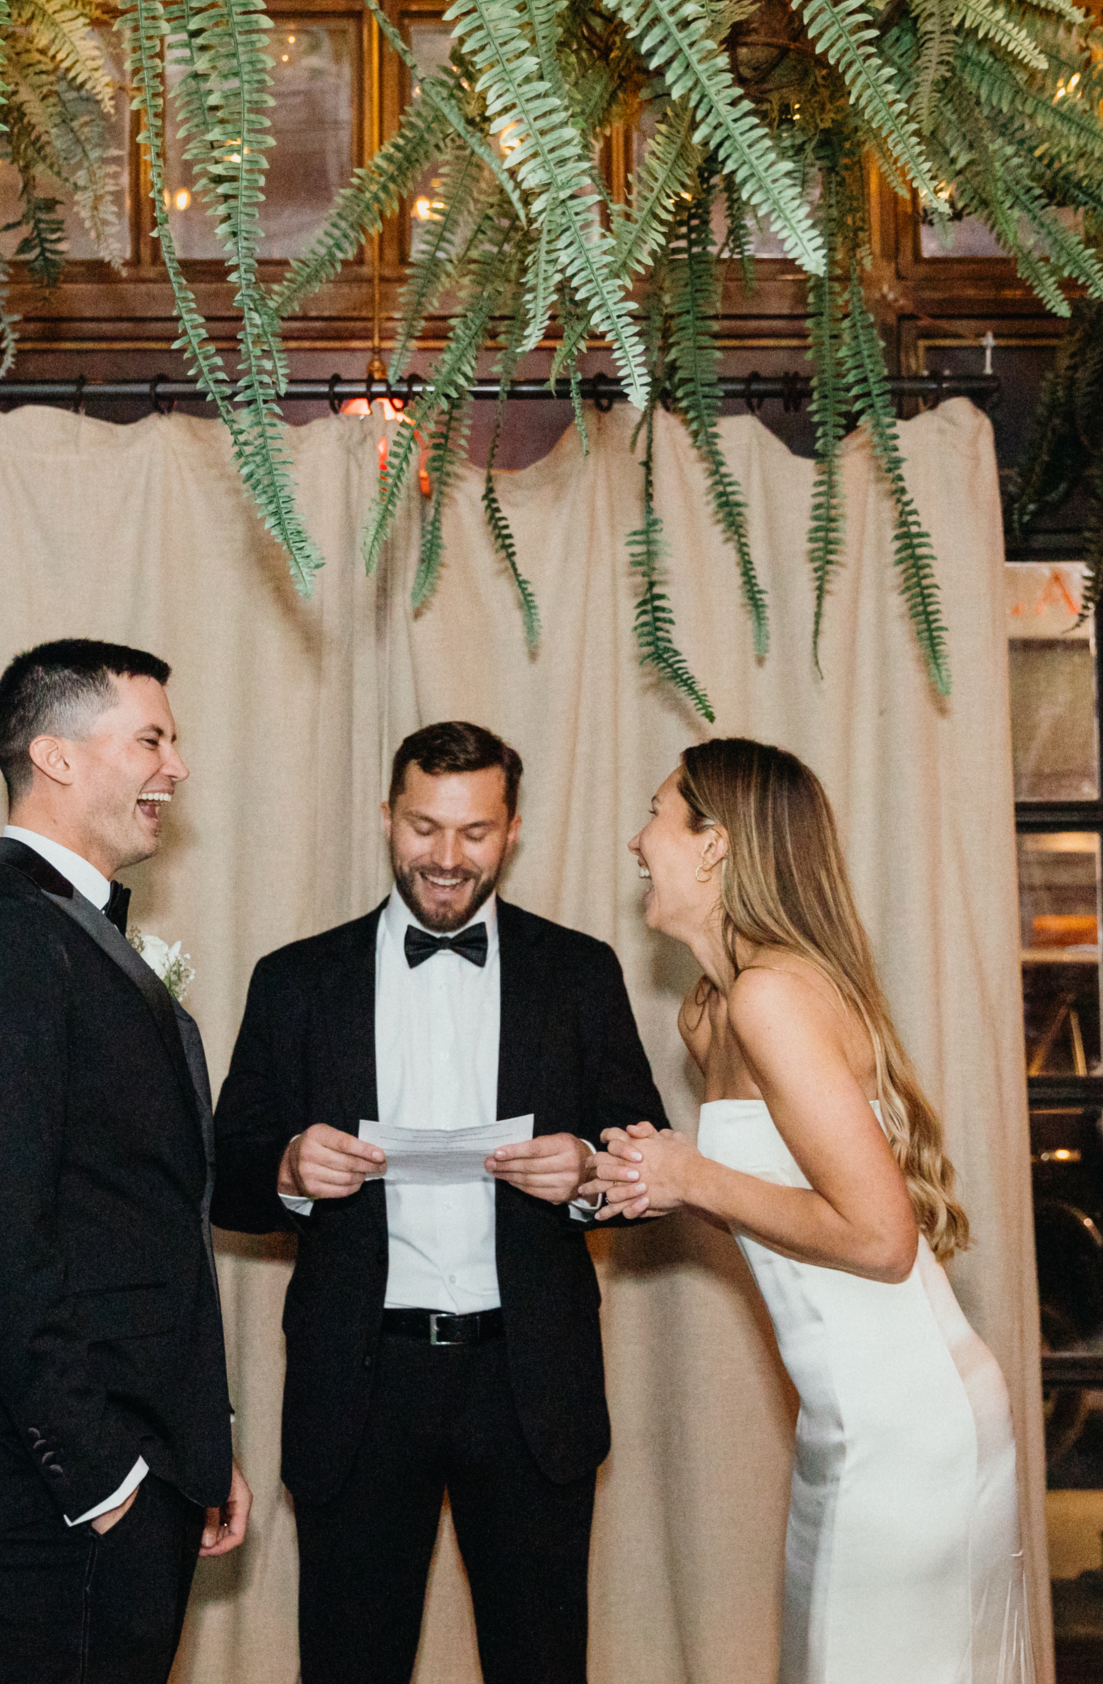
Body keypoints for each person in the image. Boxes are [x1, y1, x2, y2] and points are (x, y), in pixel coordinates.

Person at [211, 721, 668, 1684]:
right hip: (360, 1383)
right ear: (387, 817)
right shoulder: (296, 978)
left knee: (543, 1665)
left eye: (475, 832)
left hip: (529, 1381)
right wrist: (290, 1168)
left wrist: (587, 1171)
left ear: (511, 831)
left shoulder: (580, 972)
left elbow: (648, 1160)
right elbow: (226, 1172)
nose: (447, 859)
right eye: (424, 827)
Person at [592, 737, 1031, 1684]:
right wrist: (626, 1173)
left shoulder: (770, 998)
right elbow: (781, 1205)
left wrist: (691, 1177)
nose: (637, 839)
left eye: (658, 814)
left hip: (909, 1429)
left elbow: (879, 1238)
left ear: (714, 845)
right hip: (845, 1422)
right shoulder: (710, 1012)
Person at [0, 638, 250, 1684]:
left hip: (142, 1457)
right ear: (56, 757)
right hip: (61, 1495)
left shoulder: (74, 929)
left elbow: (136, 1218)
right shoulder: (1, 938)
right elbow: (1, 1234)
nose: (176, 768)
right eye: (151, 738)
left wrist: (202, 1437)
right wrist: (100, 1478)